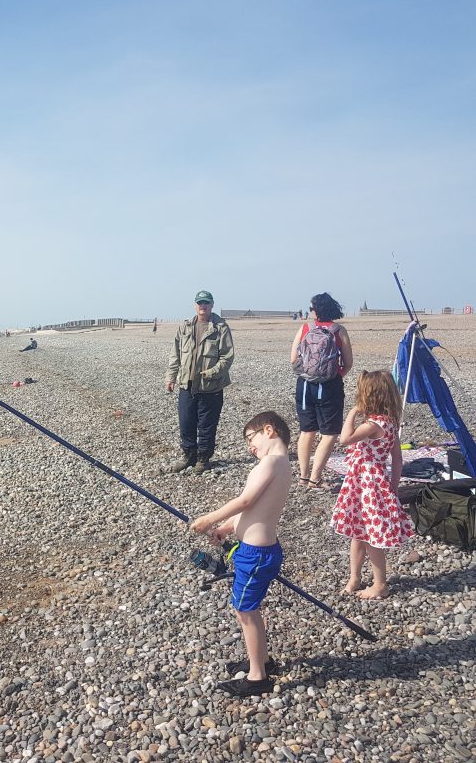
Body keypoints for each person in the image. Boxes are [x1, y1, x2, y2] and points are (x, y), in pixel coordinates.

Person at [190, 411, 291, 697]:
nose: (250, 446)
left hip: (255, 554)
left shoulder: (269, 463)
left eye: (251, 438)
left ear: (269, 430)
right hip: (259, 551)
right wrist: (226, 528)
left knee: (245, 611)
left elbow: (244, 500)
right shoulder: (282, 465)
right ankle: (262, 660)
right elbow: (252, 509)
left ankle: (257, 677)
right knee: (248, 609)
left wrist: (209, 519)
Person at [331, 371, 414, 600]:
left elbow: (345, 438)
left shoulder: (374, 424)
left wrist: (352, 412)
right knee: (358, 531)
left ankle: (380, 584)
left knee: (371, 536)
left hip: (368, 483)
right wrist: (394, 487)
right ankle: (354, 577)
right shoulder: (390, 423)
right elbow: (397, 459)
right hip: (370, 482)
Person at [165, 290, 235, 474]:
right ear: (195, 305)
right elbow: (176, 354)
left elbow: (227, 358)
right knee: (186, 422)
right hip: (187, 385)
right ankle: (188, 456)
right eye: (200, 303)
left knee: (207, 424)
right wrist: (171, 377)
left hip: (211, 386)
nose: (202, 306)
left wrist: (211, 373)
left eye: (206, 303)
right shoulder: (185, 327)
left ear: (212, 305)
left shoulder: (220, 327)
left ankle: (203, 459)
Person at [290, 292, 353, 489]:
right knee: (329, 433)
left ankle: (303, 476)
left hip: (305, 385)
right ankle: (315, 478)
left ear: (316, 310)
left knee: (306, 431)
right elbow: (348, 363)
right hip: (330, 386)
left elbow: (293, 360)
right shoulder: (338, 331)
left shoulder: (305, 328)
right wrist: (334, 376)